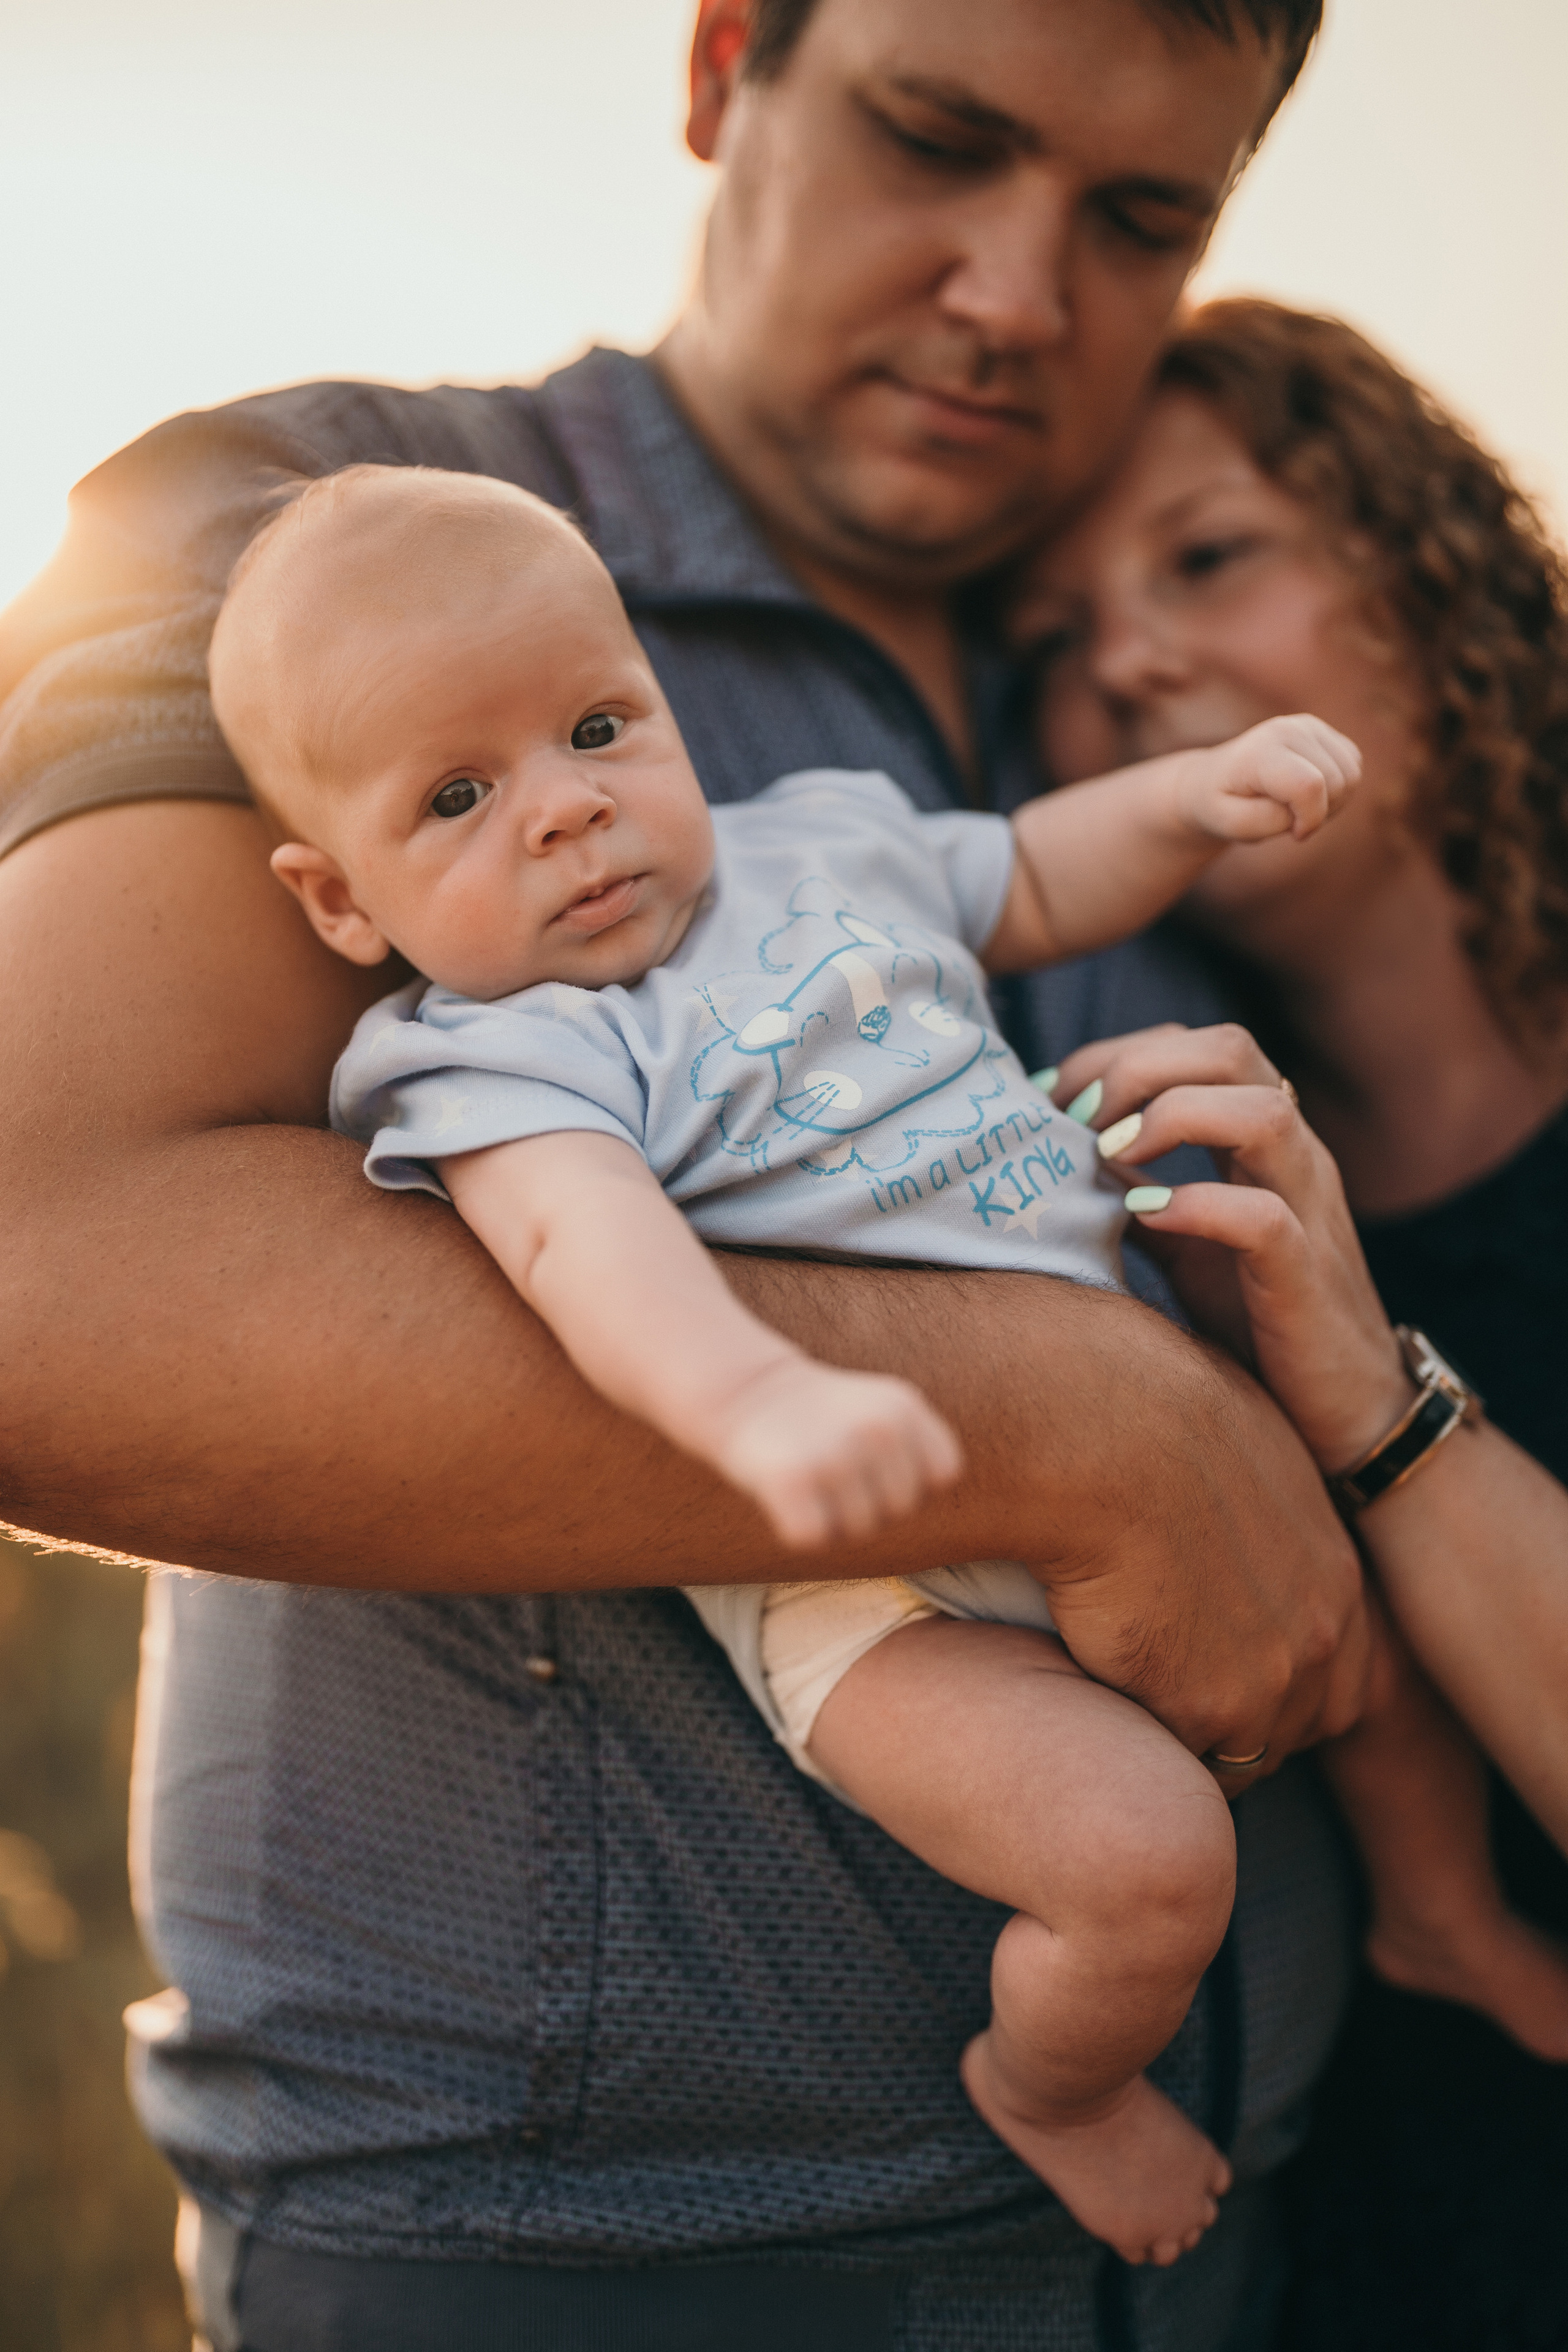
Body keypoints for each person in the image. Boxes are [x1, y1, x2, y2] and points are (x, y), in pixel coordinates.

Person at [0, 7, 1362, 2348]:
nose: (1023, 299)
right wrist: (1106, 1435)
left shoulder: (1110, 644)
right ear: (731, 64)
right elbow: (32, 1276)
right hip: (613, 2278)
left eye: (1147, 216)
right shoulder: (298, 524)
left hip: (1260, 2230)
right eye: (941, 137)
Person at [208, 461, 1378, 2267]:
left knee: (1376, 1644)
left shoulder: (819, 845)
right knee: (1146, 1862)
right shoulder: (506, 1058)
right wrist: (756, 1397)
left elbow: (1042, 870)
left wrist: (1197, 798)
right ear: (340, 899)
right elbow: (576, 1244)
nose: (569, 812)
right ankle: (1050, 2090)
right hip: (876, 1597)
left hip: (1152, 1420)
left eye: (600, 727)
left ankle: (1451, 1913)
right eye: (457, 795)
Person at [1016, 294, 1568, 2348]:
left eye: (1209, 558)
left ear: (1433, 579)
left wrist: (1381, 1410)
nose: (1130, 665)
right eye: (1055, 643)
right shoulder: (1149, 1185)